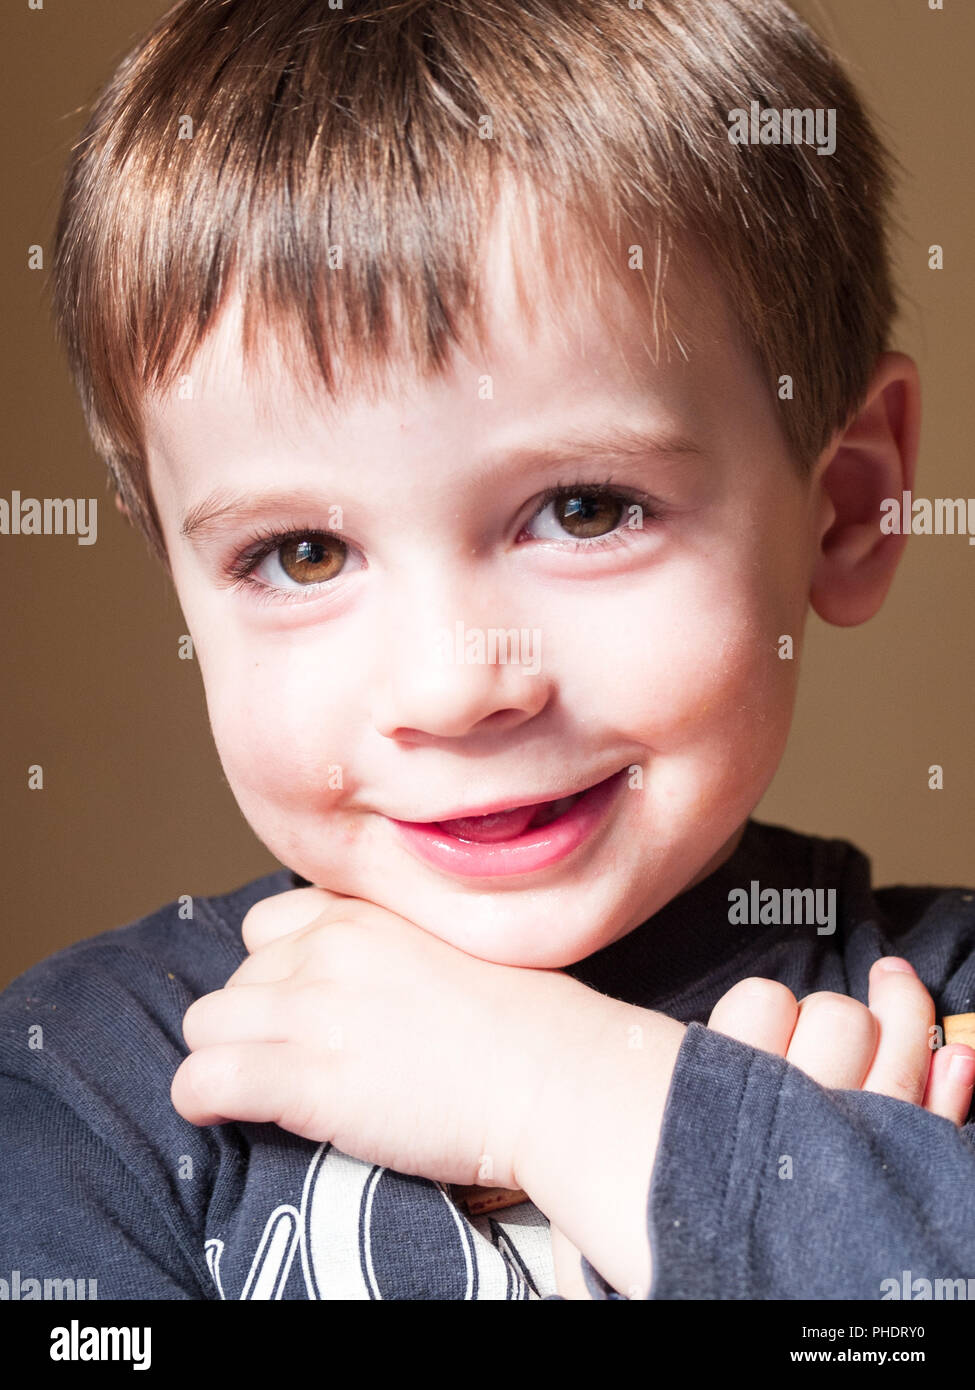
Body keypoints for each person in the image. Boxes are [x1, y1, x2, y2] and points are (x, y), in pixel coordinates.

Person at [1, 0, 972, 1301]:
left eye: (585, 508)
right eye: (300, 552)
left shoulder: (945, 1011)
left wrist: (575, 1099)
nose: (457, 684)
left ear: (846, 506)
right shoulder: (88, 1088)